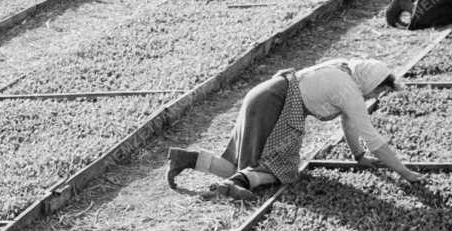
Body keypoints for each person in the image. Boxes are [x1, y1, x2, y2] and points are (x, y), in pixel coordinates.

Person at [165, 58, 426, 201]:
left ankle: (187, 159)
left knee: (242, 161)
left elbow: (349, 122)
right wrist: (406, 173)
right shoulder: (348, 89)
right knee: (281, 169)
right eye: (379, 90)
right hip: (274, 103)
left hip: (265, 95)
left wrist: (358, 156)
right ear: (372, 82)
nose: (376, 96)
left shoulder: (343, 70)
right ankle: (234, 183)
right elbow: (373, 139)